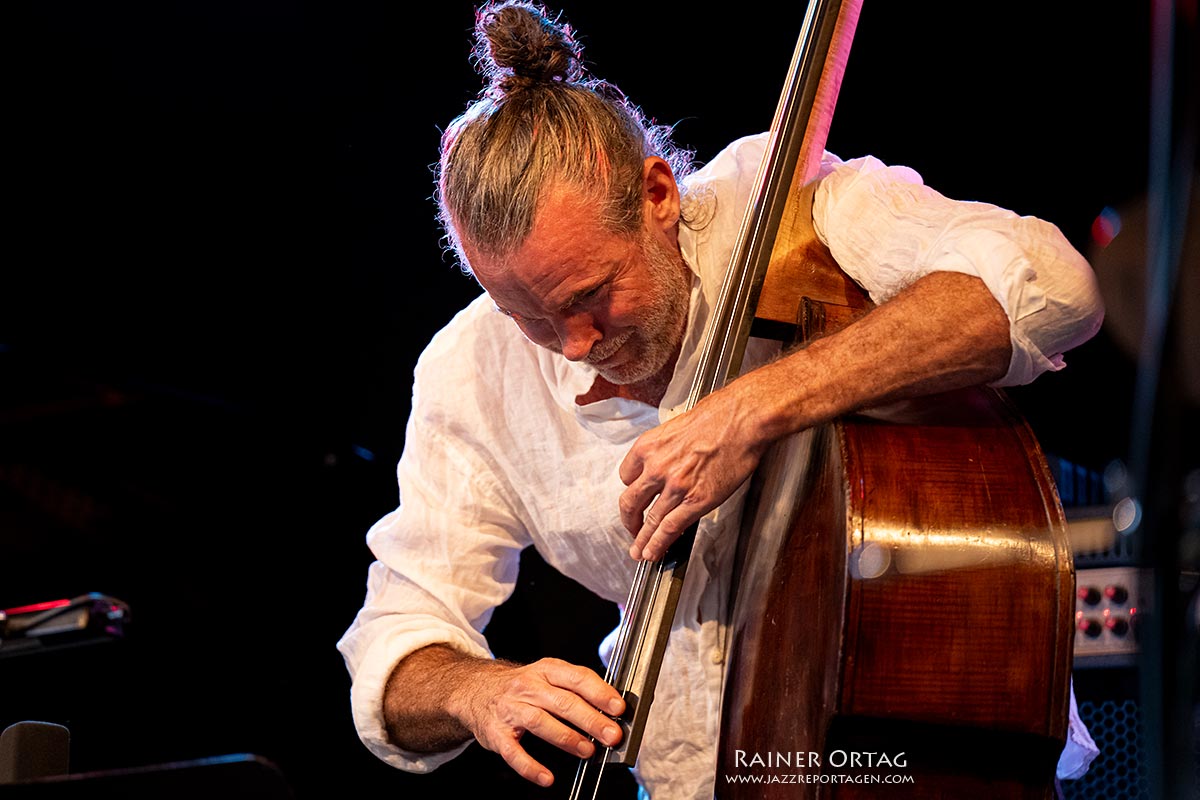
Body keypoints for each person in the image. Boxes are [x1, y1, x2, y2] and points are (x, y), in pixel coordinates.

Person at [337, 2, 1105, 798]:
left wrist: (757, 405)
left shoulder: (791, 210)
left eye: (591, 295)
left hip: (891, 765)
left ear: (658, 194)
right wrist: (478, 690)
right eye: (524, 315)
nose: (571, 343)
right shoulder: (470, 372)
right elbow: (396, 638)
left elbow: (1051, 288)